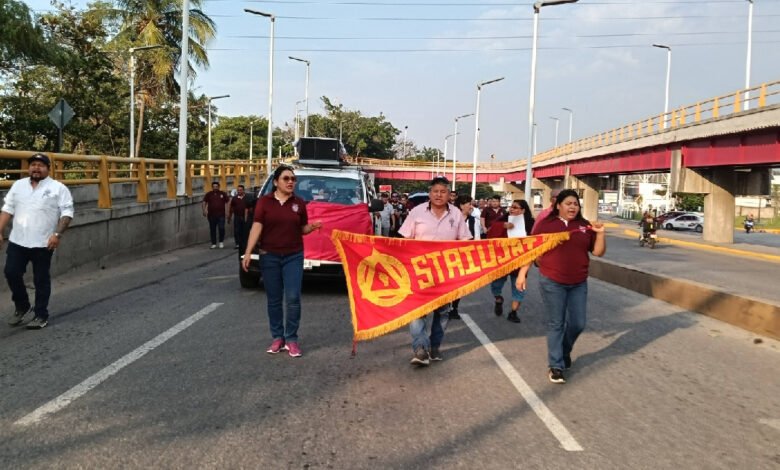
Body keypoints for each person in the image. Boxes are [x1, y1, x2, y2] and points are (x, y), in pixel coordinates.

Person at [518, 189, 606, 384]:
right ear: (558, 205)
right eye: (568, 203)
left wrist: (600, 234)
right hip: (552, 281)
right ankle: (556, 365)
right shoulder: (546, 224)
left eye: (575, 203)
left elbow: (598, 252)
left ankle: (564, 351)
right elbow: (532, 249)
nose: (573, 207)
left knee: (578, 323)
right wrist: (523, 273)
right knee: (556, 323)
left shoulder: (584, 226)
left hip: (578, 282)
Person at [241, 165, 322, 358]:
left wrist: (311, 228)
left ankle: (291, 339)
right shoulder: (264, 202)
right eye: (286, 178)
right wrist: (247, 252)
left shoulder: (299, 203)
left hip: (293, 256)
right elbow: (257, 226)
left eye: (293, 179)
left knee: (293, 297)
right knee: (274, 299)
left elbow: (301, 229)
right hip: (269, 256)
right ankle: (278, 337)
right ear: (276, 182)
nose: (291, 182)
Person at [399, 176, 472, 366]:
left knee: (443, 312)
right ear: (429, 193)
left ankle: (434, 346)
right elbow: (404, 240)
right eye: (435, 191)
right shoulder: (416, 212)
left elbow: (465, 241)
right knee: (417, 312)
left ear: (449, 195)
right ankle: (420, 349)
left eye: (443, 191)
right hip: (419, 271)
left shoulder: (456, 214)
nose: (439, 195)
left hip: (446, 272)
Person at [1, 153, 74, 329]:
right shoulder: (18, 185)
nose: (36, 168)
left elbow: (67, 213)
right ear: (29, 168)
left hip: (43, 242)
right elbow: (8, 209)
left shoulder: (58, 188)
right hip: (18, 241)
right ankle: (23, 305)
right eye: (33, 164)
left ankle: (41, 314)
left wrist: (57, 235)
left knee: (41, 279)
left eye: (40, 165)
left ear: (48, 169)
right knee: (11, 272)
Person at [487, 200, 534, 323]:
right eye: (511, 207)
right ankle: (498, 299)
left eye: (516, 207)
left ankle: (513, 312)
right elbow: (490, 235)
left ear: (523, 210)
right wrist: (502, 227)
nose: (512, 209)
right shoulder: (502, 221)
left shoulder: (530, 224)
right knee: (496, 285)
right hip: (503, 261)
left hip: (520, 262)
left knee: (519, 288)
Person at [449, 194, 481, 320]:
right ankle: (444, 305)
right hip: (449, 255)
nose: (471, 206)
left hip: (464, 257)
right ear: (461, 205)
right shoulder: (450, 219)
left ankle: (454, 308)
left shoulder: (474, 221)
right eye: (469, 204)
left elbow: (477, 239)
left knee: (459, 284)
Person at [202, 181, 229, 249]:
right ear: (212, 187)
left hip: (221, 215)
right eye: (214, 187)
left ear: (219, 187)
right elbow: (204, 202)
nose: (215, 188)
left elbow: (227, 202)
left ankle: (221, 242)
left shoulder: (223, 194)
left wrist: (227, 212)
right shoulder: (209, 194)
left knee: (221, 228)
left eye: (216, 187)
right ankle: (213, 243)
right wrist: (204, 210)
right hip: (211, 215)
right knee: (212, 229)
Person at [227, 185, 248, 249]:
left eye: (240, 190)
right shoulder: (234, 198)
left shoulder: (247, 197)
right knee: (237, 231)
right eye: (238, 190)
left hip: (245, 216)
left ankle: (245, 243)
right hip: (237, 217)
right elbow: (231, 208)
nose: (239, 191)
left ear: (243, 190)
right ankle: (237, 244)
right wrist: (229, 217)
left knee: (245, 230)